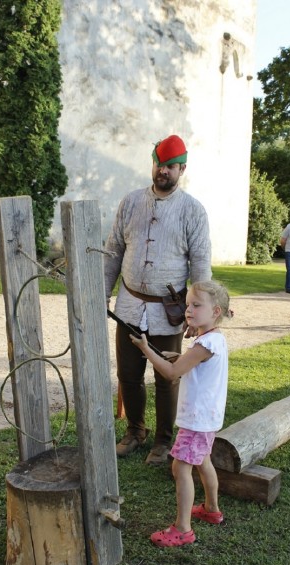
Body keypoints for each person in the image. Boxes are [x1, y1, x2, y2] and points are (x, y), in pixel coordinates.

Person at [104, 134, 212, 465]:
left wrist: (200, 317)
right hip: (128, 306)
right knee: (128, 374)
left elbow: (201, 266)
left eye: (169, 166)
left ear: (182, 169)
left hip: (169, 311)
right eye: (158, 164)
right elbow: (112, 253)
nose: (162, 170)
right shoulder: (130, 202)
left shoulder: (193, 211)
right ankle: (136, 431)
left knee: (168, 375)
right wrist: (99, 294)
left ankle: (164, 441)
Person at [130, 281, 230, 547]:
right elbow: (195, 362)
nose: (189, 310)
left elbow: (172, 373)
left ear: (216, 311)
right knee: (202, 460)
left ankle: (183, 529)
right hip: (206, 418)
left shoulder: (204, 344)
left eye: (197, 306)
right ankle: (211, 510)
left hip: (197, 421)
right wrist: (180, 355)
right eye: (188, 305)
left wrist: (146, 349)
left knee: (180, 467)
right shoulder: (213, 339)